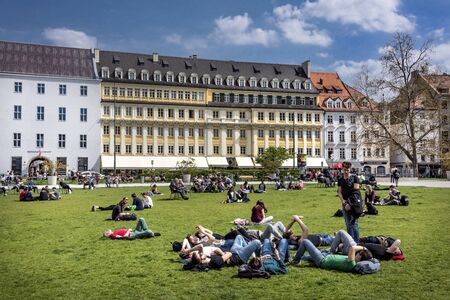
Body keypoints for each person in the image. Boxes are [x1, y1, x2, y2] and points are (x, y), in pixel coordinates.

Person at [291, 239, 373, 272]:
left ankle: (296, 261)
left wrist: (364, 248)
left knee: (305, 241)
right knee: (307, 255)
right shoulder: (352, 262)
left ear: (360, 256)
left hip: (322, 260)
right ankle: (295, 257)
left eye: (358, 253)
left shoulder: (352, 263)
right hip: (326, 256)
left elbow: (353, 248)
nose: (356, 253)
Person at [337, 161, 361, 242]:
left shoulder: (355, 178)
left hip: (354, 204)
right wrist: (343, 201)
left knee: (354, 223)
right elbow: (339, 192)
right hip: (345, 204)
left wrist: (349, 204)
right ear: (342, 169)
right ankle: (350, 242)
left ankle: (356, 242)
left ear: (350, 169)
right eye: (344, 170)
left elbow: (356, 192)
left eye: (347, 170)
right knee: (348, 224)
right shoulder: (340, 179)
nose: (346, 171)